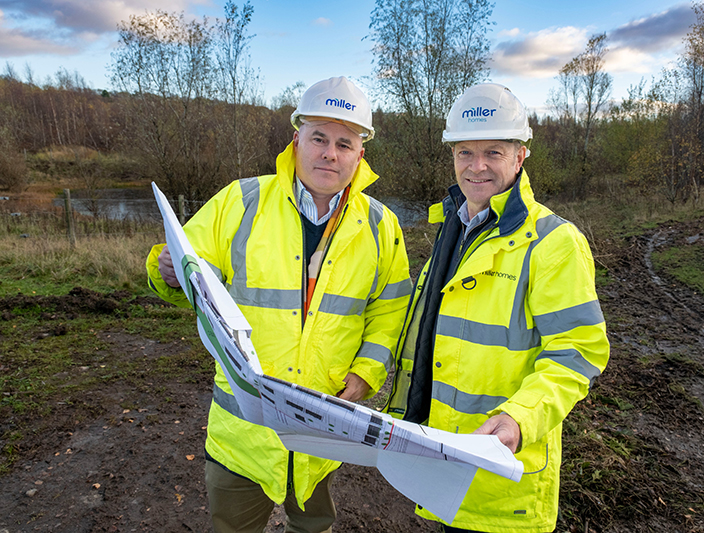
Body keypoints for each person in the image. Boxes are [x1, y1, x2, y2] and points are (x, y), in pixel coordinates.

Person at [146, 76, 412, 533]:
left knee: (313, 525)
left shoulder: (381, 225)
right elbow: (185, 261)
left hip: (324, 427)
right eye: (319, 138)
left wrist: (367, 372)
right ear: (297, 139)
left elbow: (390, 311)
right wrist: (165, 269)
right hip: (243, 433)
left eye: (344, 143)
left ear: (360, 154)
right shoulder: (241, 200)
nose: (330, 153)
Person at [385, 83, 610, 533]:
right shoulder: (456, 226)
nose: (477, 166)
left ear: (520, 156)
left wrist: (519, 419)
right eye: (465, 152)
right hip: (443, 456)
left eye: (493, 152)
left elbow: (578, 351)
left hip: (501, 474)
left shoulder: (553, 243)